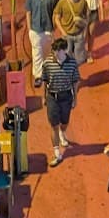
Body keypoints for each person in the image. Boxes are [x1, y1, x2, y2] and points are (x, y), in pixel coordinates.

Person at [40, 34, 80, 165]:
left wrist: (75, 98)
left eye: (58, 50)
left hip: (66, 97)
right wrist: (44, 97)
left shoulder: (72, 63)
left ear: (64, 50)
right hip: (52, 97)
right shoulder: (47, 63)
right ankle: (57, 152)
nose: (56, 53)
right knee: (54, 125)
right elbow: (45, 80)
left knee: (64, 121)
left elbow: (75, 81)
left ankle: (63, 132)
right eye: (54, 50)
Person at [24, 0, 59, 85]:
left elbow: (56, 12)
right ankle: (38, 76)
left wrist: (54, 26)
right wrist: (29, 29)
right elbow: (28, 13)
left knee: (48, 54)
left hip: (48, 29)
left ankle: (48, 74)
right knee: (37, 53)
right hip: (35, 29)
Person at [52, 0, 89, 64]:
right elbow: (57, 18)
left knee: (79, 59)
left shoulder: (83, 2)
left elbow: (86, 18)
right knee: (66, 59)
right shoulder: (62, 2)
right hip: (67, 35)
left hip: (79, 34)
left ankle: (76, 71)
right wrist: (63, 32)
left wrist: (84, 33)